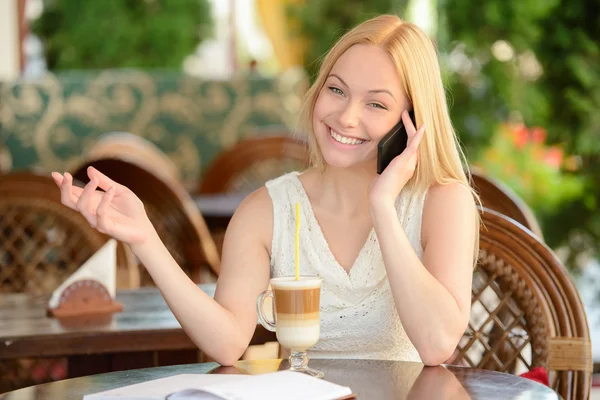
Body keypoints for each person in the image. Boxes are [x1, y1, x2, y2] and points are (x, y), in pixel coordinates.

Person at [51, 14, 479, 366]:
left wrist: (383, 208)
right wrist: (145, 238)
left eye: (376, 104)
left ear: (413, 122)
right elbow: (225, 343)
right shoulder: (268, 209)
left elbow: (437, 344)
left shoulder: (443, 202)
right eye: (336, 90)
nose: (346, 117)